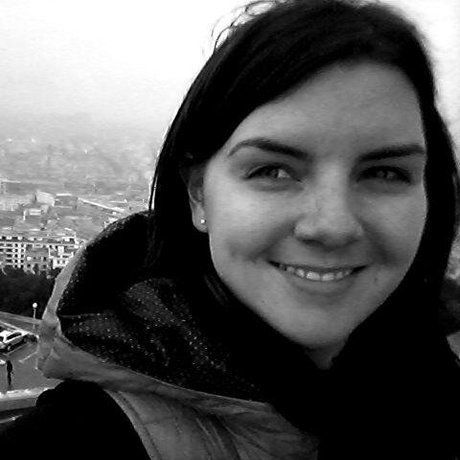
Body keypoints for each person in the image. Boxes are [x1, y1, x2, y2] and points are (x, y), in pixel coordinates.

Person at [0, 0, 459, 458]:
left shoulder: (437, 391)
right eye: (273, 171)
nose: (333, 226)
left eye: (384, 173)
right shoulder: (75, 442)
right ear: (198, 194)